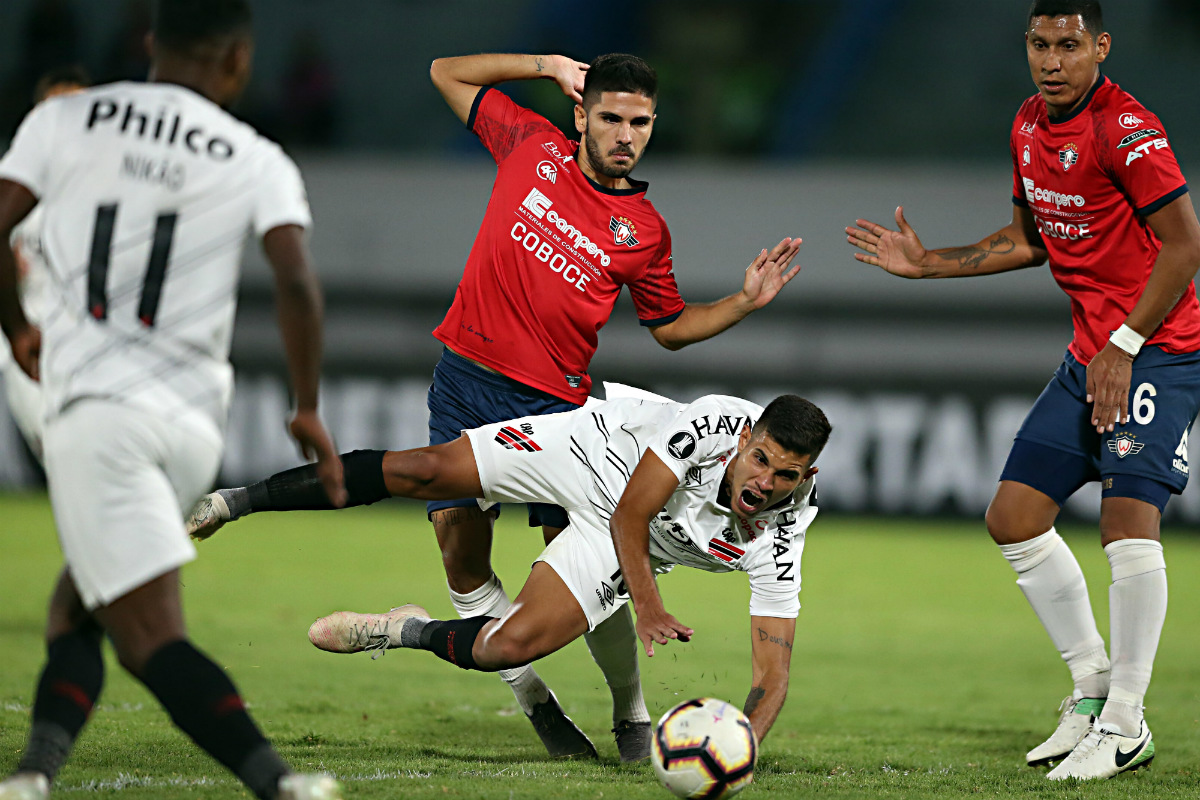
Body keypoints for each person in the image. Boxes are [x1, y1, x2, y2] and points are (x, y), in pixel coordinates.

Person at [192, 51, 803, 762]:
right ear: (581, 114)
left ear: (653, 125)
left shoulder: (643, 232)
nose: (624, 134)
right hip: (466, 383)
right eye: (610, 117)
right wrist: (544, 64)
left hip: (558, 410)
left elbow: (667, 329)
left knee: (584, 575)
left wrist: (742, 302)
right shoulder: (529, 144)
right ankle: (538, 706)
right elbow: (445, 74)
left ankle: (629, 712)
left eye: (639, 122)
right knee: (461, 555)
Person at [846, 0, 1200, 781]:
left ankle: (1128, 721)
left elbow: (1185, 244)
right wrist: (928, 263)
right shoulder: (1029, 126)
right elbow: (1028, 240)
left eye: (1068, 45)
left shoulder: (1127, 130)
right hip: (1090, 355)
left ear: (1100, 47)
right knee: (1013, 517)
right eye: (1039, 44)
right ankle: (1091, 689)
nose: (1051, 60)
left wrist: (1125, 345)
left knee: (1128, 525)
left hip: (1158, 351)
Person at [0, 2, 346, 799]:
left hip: (101, 412)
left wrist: (18, 326)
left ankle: (279, 784)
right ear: (237, 61)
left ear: (152, 43)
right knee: (79, 603)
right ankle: (32, 775)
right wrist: (305, 406)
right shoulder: (256, 156)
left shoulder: (68, 119)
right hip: (193, 427)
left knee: (149, 636)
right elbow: (296, 280)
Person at [197, 386, 830, 745]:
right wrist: (652, 607)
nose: (766, 482)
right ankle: (234, 500)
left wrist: (738, 748)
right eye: (761, 460)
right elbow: (633, 513)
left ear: (809, 476)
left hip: (615, 541)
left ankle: (402, 628)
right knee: (424, 470)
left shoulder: (785, 531)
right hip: (591, 454)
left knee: (509, 646)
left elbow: (773, 673)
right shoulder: (713, 422)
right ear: (746, 439)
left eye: (786, 475)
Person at [1, 65, 90, 464]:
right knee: (60, 455)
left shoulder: (115, 190)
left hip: (95, 350)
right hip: (29, 346)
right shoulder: (12, 188)